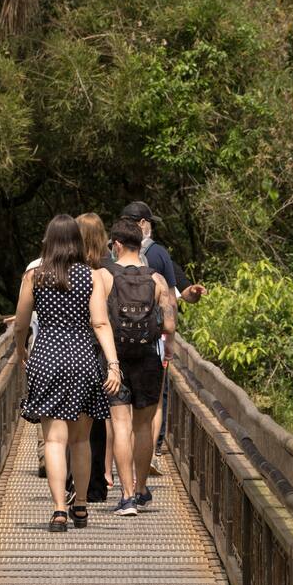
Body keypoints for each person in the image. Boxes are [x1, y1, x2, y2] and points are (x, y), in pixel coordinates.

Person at [13, 215, 121, 532]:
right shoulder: (91, 277)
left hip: (46, 357)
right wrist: (113, 364)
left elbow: (20, 324)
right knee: (80, 440)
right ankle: (82, 507)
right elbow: (101, 324)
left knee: (54, 440)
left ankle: (60, 510)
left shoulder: (35, 276)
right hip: (82, 359)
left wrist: (22, 351)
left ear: (48, 241)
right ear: (76, 241)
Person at [118, 201, 206, 471]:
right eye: (150, 222)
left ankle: (117, 470)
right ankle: (151, 452)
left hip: (118, 340)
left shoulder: (112, 255)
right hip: (152, 339)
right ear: (143, 224)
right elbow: (174, 295)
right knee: (154, 401)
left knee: (119, 408)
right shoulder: (159, 254)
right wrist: (170, 338)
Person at [105, 217, 177, 514]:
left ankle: (126, 496)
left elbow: (96, 319)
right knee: (144, 425)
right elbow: (170, 325)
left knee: (121, 425)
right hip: (148, 357)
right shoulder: (157, 280)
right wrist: (168, 350)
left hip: (116, 360)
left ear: (117, 245)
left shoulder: (104, 276)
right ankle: (142, 488)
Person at [75, 213, 116, 503]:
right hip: (103, 350)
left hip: (75, 350)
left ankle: (73, 484)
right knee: (97, 421)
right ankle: (96, 485)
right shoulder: (109, 271)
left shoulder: (68, 271)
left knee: (70, 421)